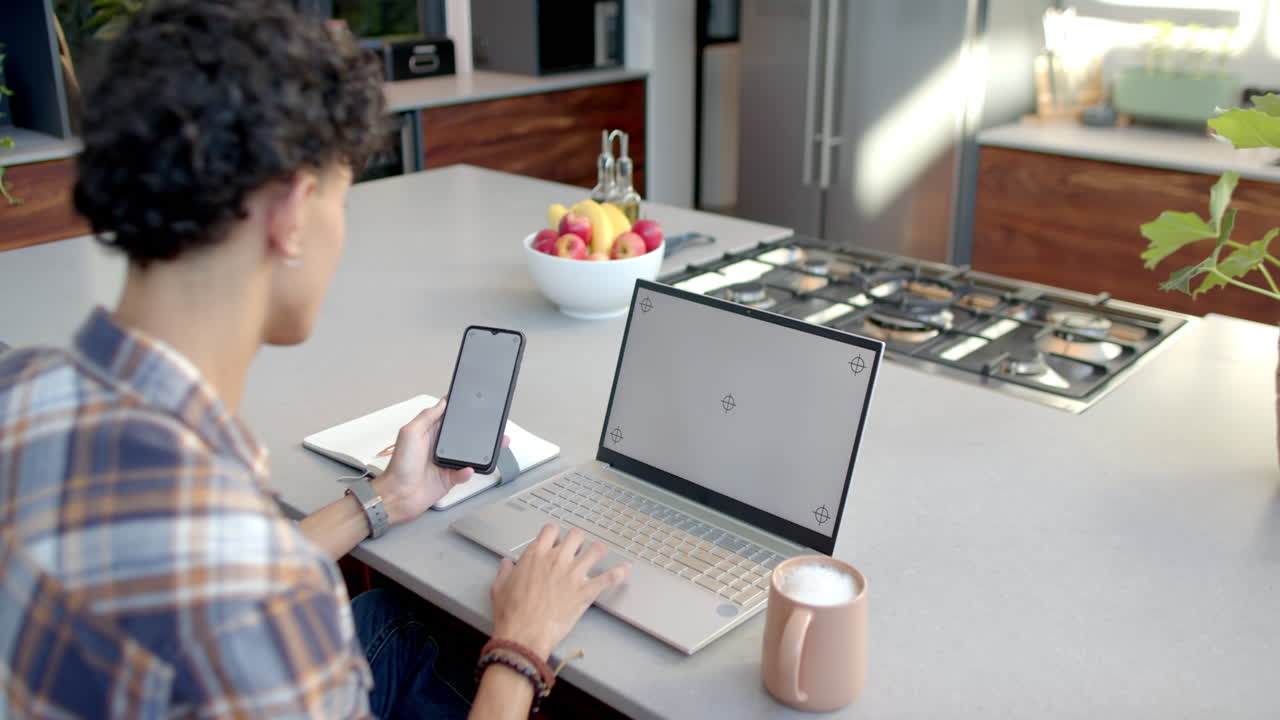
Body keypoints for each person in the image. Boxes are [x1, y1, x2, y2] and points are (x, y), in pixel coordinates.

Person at [0, 1, 628, 718]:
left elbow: (218, 579)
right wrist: (522, 646)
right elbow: (239, 593)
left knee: (396, 619)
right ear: (293, 212)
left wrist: (383, 501)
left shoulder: (19, 388)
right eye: (342, 200)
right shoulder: (261, 599)